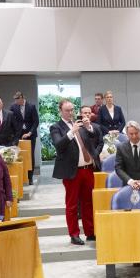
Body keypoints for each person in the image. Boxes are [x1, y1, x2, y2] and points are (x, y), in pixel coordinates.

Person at [51, 99, 100, 245]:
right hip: (72, 171)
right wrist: (71, 132)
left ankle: (90, 232)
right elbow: (59, 146)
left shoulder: (80, 124)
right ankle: (74, 234)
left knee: (88, 203)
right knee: (72, 205)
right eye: (67, 110)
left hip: (87, 169)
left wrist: (88, 126)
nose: (70, 113)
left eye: (72, 110)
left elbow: (93, 137)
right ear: (60, 111)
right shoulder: (56, 127)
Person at [10, 91, 39, 182]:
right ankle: (21, 176)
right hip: (18, 135)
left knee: (30, 156)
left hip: (30, 134)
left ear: (22, 98)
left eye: (17, 99)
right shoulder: (13, 107)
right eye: (15, 100)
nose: (16, 102)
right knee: (18, 154)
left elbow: (36, 122)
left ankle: (30, 177)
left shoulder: (31, 106)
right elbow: (11, 120)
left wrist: (30, 132)